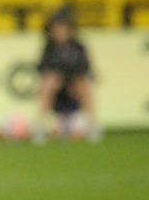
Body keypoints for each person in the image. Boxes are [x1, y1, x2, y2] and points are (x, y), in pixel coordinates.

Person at [32, 8, 100, 142]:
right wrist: (58, 77)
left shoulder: (78, 47)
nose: (59, 31)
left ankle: (93, 125)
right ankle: (39, 126)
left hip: (73, 92)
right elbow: (42, 69)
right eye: (56, 27)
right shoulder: (49, 48)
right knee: (49, 82)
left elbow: (85, 69)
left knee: (83, 83)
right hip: (56, 94)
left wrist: (70, 78)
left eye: (63, 27)